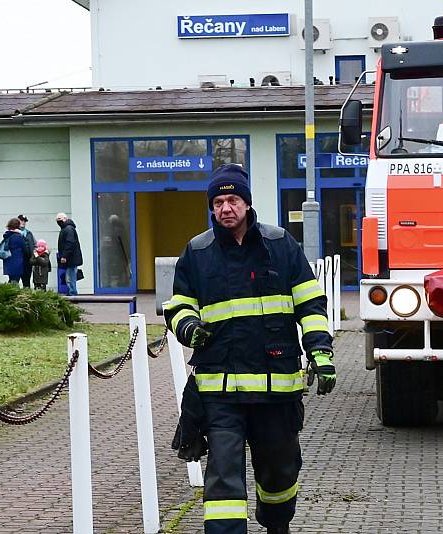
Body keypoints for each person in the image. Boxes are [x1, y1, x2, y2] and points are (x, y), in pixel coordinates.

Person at [163, 164, 336, 534]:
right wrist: (189, 327)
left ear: (247, 203)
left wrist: (321, 353)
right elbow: (177, 306)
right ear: (212, 208)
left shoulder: (280, 245)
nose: (226, 208)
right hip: (220, 392)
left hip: (277, 390)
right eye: (219, 202)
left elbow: (310, 304)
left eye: (233, 200)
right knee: (223, 478)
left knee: (279, 473)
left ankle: (277, 526)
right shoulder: (197, 252)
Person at [56, 212, 83, 295]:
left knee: (70, 278)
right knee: (70, 277)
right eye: (57, 220)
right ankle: (71, 293)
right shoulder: (68, 228)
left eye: (60, 219)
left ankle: (73, 295)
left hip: (71, 259)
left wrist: (64, 256)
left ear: (65, 219)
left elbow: (69, 243)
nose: (58, 221)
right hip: (71, 258)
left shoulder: (68, 229)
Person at [1, 218, 29, 285]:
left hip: (8, 262)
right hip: (17, 263)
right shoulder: (18, 236)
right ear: (18, 226)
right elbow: (25, 249)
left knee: (11, 280)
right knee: (15, 282)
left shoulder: (7, 235)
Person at [17, 215, 36, 288]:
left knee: (26, 281)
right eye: (21, 220)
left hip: (28, 261)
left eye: (24, 221)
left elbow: (35, 244)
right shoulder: (14, 233)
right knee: (15, 281)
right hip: (17, 261)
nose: (23, 222)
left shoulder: (29, 233)